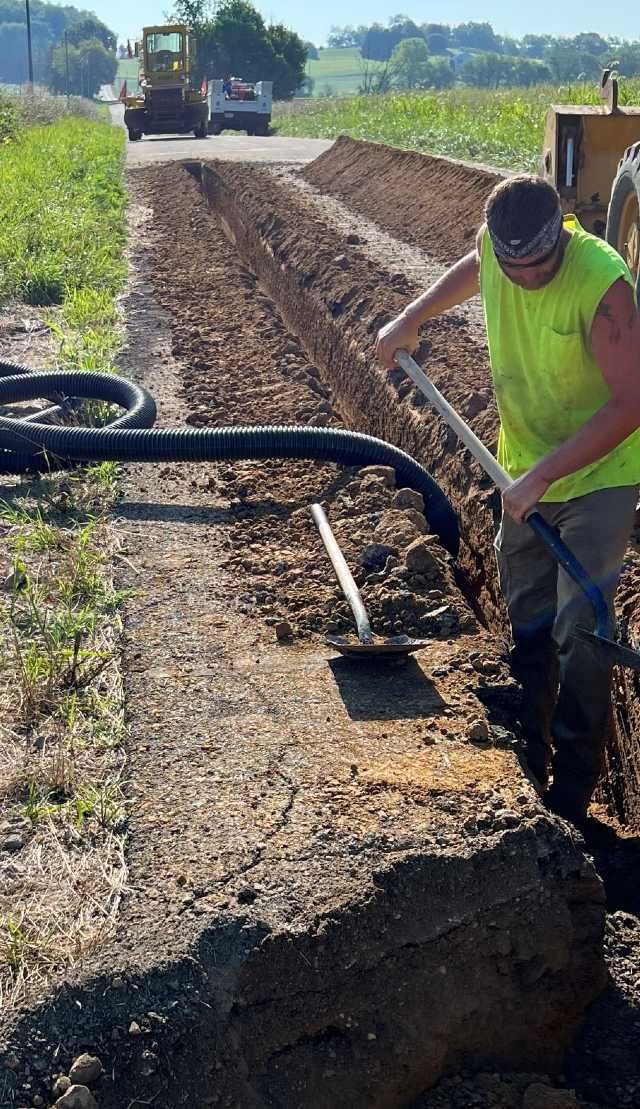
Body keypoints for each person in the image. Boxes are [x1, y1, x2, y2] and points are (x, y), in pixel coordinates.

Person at [376, 174, 640, 825]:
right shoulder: (497, 254)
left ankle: (575, 790)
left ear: (562, 240)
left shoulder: (602, 284)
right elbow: (475, 266)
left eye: (538, 266)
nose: (522, 279)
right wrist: (411, 318)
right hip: (520, 471)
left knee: (582, 632)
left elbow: (633, 402)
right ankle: (529, 747)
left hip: (595, 478)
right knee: (527, 620)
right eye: (510, 264)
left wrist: (547, 474)